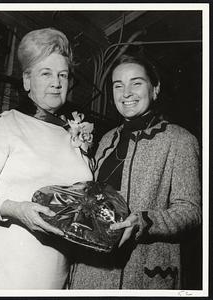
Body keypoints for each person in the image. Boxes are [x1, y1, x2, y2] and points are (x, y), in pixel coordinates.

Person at [69, 54, 201, 289]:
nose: (126, 93)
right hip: (89, 270)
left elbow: (191, 211)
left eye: (136, 83)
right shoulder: (108, 139)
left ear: (155, 89)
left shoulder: (180, 140)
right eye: (118, 86)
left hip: (140, 273)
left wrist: (143, 222)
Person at [0, 27, 93, 289]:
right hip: (4, 275)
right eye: (46, 73)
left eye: (62, 75)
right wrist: (17, 210)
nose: (56, 82)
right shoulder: (8, 124)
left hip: (58, 277)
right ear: (26, 80)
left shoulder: (73, 134)